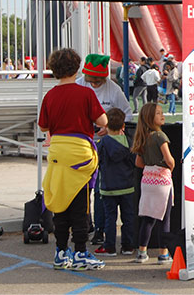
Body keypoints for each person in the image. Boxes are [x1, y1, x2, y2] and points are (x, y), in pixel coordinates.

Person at [38, 48, 107, 270]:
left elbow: (43, 126)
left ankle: (60, 251)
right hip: (80, 154)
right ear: (77, 67)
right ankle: (80, 252)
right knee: (80, 205)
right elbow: (103, 120)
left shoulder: (50, 95)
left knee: (60, 202)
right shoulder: (85, 94)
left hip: (58, 151)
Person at [76, 53, 133, 246]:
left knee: (101, 189)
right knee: (83, 188)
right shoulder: (79, 85)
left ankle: (99, 228)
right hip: (82, 142)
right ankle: (85, 223)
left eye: (98, 81)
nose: (94, 85)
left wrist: (110, 129)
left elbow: (128, 114)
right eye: (91, 81)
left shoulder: (113, 90)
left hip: (105, 145)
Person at [131, 103, 176, 264]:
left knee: (148, 217)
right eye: (158, 113)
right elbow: (169, 159)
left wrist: (150, 166)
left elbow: (138, 162)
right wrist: (170, 166)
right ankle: (163, 253)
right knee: (165, 217)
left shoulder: (143, 137)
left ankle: (142, 252)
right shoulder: (160, 136)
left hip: (147, 179)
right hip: (162, 180)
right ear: (151, 118)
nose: (162, 115)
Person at [95, 108, 136, 257]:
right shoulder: (129, 141)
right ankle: (128, 245)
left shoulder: (103, 143)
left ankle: (109, 246)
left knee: (110, 218)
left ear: (106, 126)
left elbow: (96, 161)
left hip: (108, 186)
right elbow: (134, 161)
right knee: (128, 218)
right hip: (127, 185)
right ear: (123, 126)